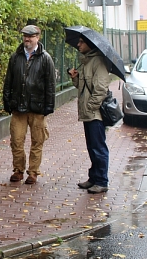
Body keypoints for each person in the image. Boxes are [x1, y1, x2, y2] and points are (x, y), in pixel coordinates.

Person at [3, 25, 55, 184]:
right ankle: (18, 170)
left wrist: (49, 106)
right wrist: (7, 100)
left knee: (37, 141)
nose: (27, 39)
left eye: (31, 36)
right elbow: (8, 81)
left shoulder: (46, 58)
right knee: (16, 141)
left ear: (38, 38)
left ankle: (33, 172)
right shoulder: (15, 57)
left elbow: (50, 85)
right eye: (25, 36)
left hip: (37, 107)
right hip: (18, 107)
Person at [68, 35, 111, 194]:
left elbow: (100, 89)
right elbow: (83, 87)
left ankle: (101, 181)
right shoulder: (87, 61)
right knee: (92, 147)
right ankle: (93, 178)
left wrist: (91, 107)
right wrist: (75, 78)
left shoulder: (98, 62)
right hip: (88, 112)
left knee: (98, 147)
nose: (78, 44)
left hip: (95, 114)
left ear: (90, 44)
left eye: (81, 42)